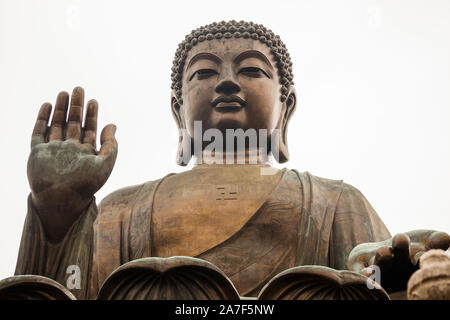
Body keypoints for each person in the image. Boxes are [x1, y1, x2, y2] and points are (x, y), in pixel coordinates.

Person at [16, 20, 449, 299]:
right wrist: (59, 216)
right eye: (204, 72)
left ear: (287, 107)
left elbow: (375, 281)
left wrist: (386, 277)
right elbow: (62, 294)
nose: (226, 82)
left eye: (251, 70)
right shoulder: (123, 210)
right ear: (177, 110)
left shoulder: (335, 201)